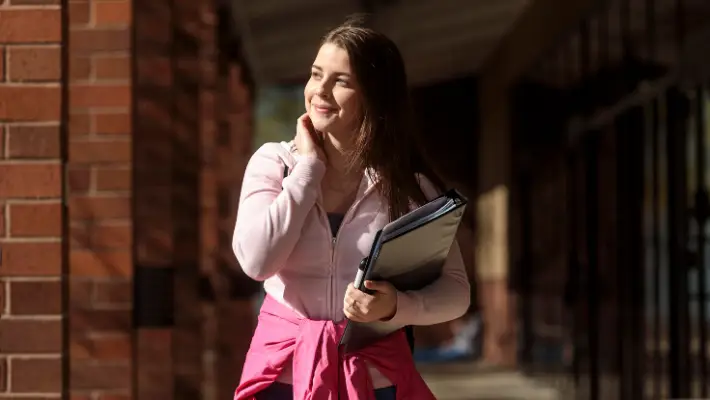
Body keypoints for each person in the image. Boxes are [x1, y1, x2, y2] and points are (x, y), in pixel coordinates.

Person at [232, 16, 471, 400]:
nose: (319, 90)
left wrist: (396, 306)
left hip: (374, 382)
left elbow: (456, 293)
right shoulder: (274, 165)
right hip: (282, 378)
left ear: (374, 97)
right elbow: (258, 262)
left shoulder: (409, 188)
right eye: (315, 74)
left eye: (341, 81)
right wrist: (307, 171)